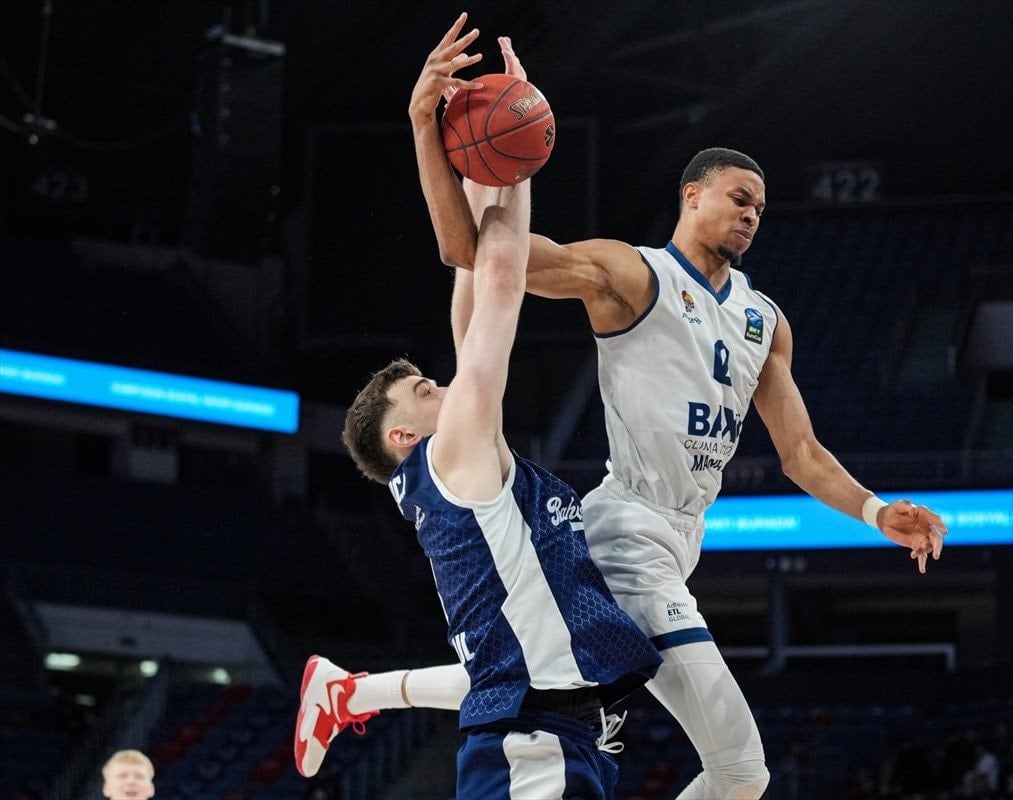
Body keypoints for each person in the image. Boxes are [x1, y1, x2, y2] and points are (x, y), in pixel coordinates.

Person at [296, 13, 948, 799]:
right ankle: (355, 693)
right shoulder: (631, 275)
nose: (751, 213)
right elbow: (478, 258)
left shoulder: (765, 321)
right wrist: (472, 152)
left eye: (761, 207)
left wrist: (876, 511)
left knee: (535, 671)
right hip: (629, 526)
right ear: (691, 196)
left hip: (679, 538)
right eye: (738, 198)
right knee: (741, 769)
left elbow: (801, 454)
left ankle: (353, 693)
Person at [293, 27, 661, 798]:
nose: (442, 385)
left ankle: (350, 694)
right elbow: (495, 279)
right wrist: (510, 161)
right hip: (536, 741)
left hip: (544, 731)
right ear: (403, 435)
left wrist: (468, 145)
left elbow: (472, 270)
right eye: (424, 390)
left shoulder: (455, 469)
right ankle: (351, 694)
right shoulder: (454, 454)